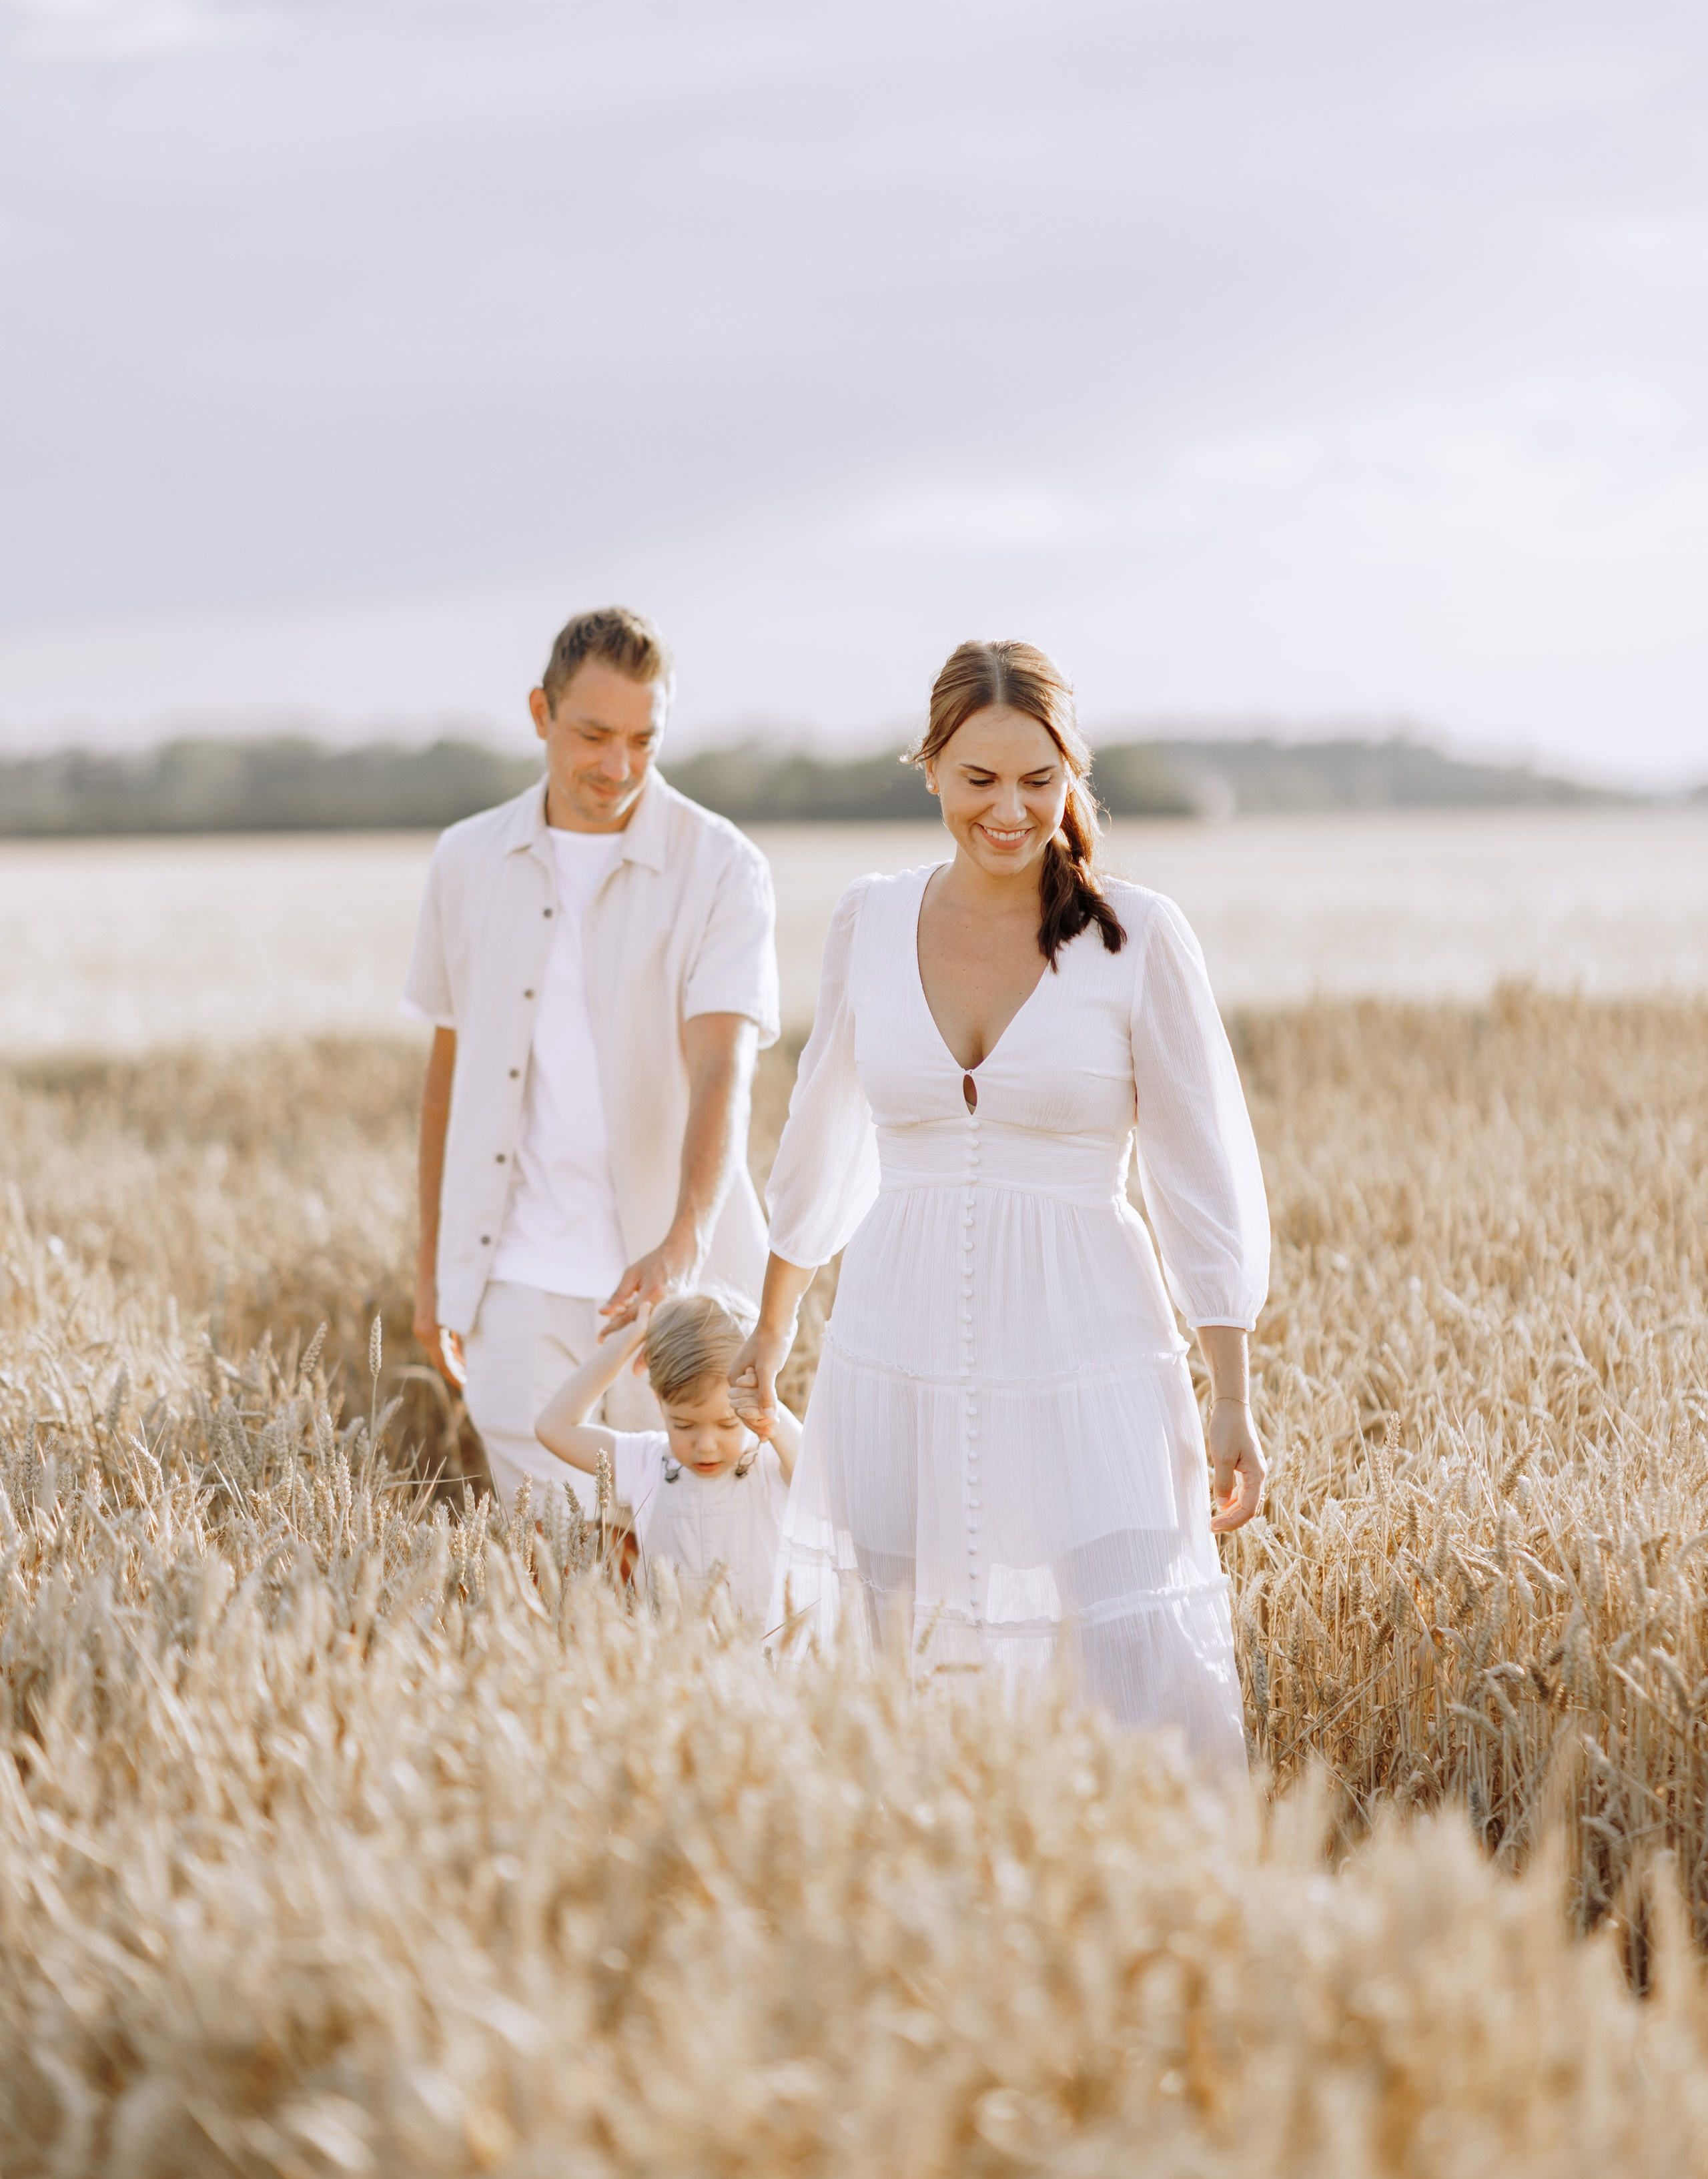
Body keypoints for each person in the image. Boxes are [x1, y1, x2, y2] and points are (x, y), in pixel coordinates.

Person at [732, 638, 1270, 1773]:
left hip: (1092, 1342)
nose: (1010, 809)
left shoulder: (1138, 936)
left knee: (1123, 1645)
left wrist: (1231, 1391)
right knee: (892, 1640)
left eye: (1039, 778)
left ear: (1073, 774)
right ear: (930, 768)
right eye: (979, 779)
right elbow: (821, 1128)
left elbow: (1199, 1174)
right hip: (896, 1331)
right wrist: (776, 1321)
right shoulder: (869, 921)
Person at [405, 606, 780, 1513]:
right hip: (517, 1273)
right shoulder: (465, 861)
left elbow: (723, 1067)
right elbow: (447, 1075)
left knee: (694, 1550)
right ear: (541, 713)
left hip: (677, 1285)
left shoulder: (723, 866)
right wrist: (431, 1275)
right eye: (594, 734)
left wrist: (682, 1241)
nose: (618, 767)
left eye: (644, 741)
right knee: (556, 1554)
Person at [534, 1294, 801, 1626]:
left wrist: (770, 1408)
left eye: (728, 1423)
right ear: (659, 1403)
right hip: (675, 1666)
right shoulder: (648, 1463)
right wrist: (623, 1346)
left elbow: (819, 1475)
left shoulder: (770, 1463)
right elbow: (553, 1428)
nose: (705, 1446)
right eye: (683, 1425)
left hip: (767, 1661)